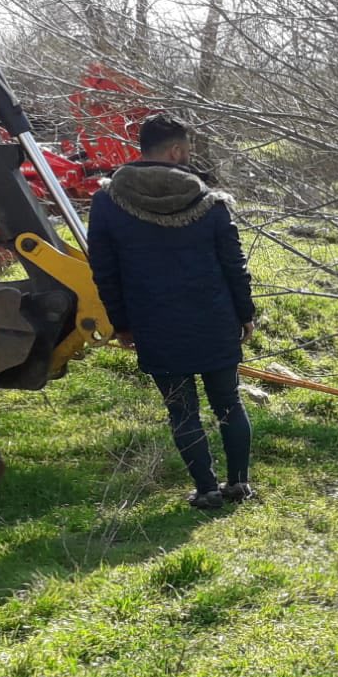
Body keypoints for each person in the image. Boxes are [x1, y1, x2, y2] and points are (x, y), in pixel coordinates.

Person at [88, 114, 257, 510]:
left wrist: (122, 324)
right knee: (229, 402)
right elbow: (234, 264)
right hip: (214, 319)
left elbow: (105, 272)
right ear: (177, 150)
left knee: (182, 409)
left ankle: (206, 490)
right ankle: (238, 486)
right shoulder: (209, 202)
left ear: (143, 149)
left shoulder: (107, 201)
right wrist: (245, 314)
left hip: (154, 323)